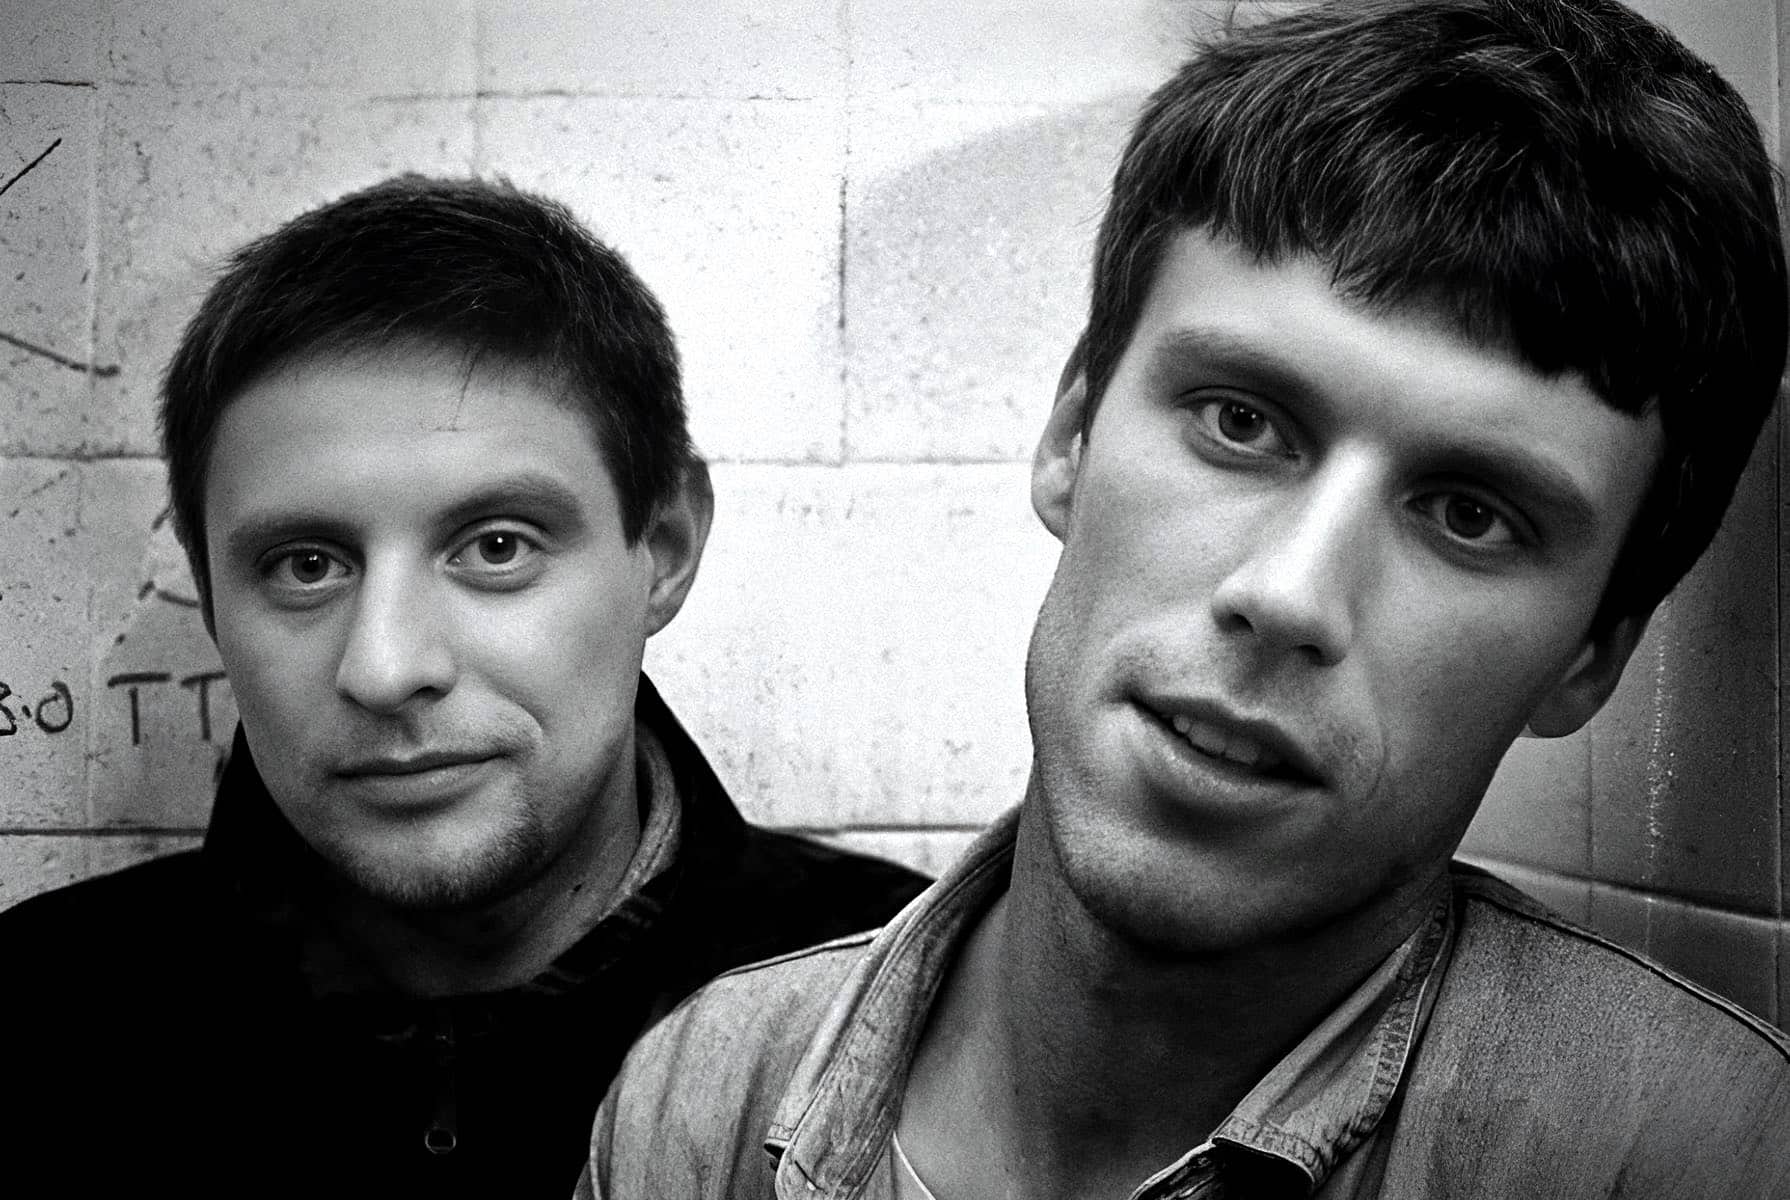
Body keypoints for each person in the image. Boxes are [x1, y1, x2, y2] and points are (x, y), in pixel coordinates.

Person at [583, 2, 1790, 1197]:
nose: (1286, 594)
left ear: (1589, 653)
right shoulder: (701, 1098)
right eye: (1240, 423)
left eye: (1467, 514)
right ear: (1071, 434)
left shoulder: (1701, 1158)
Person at [0, 174, 928, 1199]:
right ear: (211, 591)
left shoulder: (909, 1014)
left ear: (662, 549)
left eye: (496, 547)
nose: (386, 668)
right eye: (306, 565)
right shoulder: (33, 1024)